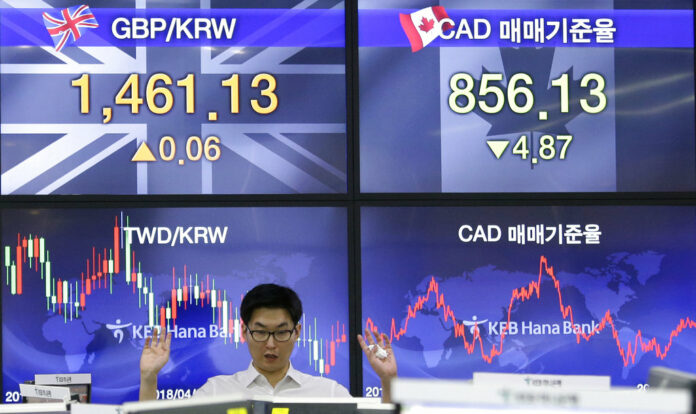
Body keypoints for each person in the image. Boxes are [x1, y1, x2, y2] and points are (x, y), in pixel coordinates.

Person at [139, 283, 397, 402]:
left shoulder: (328, 393)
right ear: (244, 331)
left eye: (281, 332)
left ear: (297, 332)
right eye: (260, 332)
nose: (271, 344)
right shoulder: (216, 392)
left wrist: (388, 382)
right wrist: (149, 379)